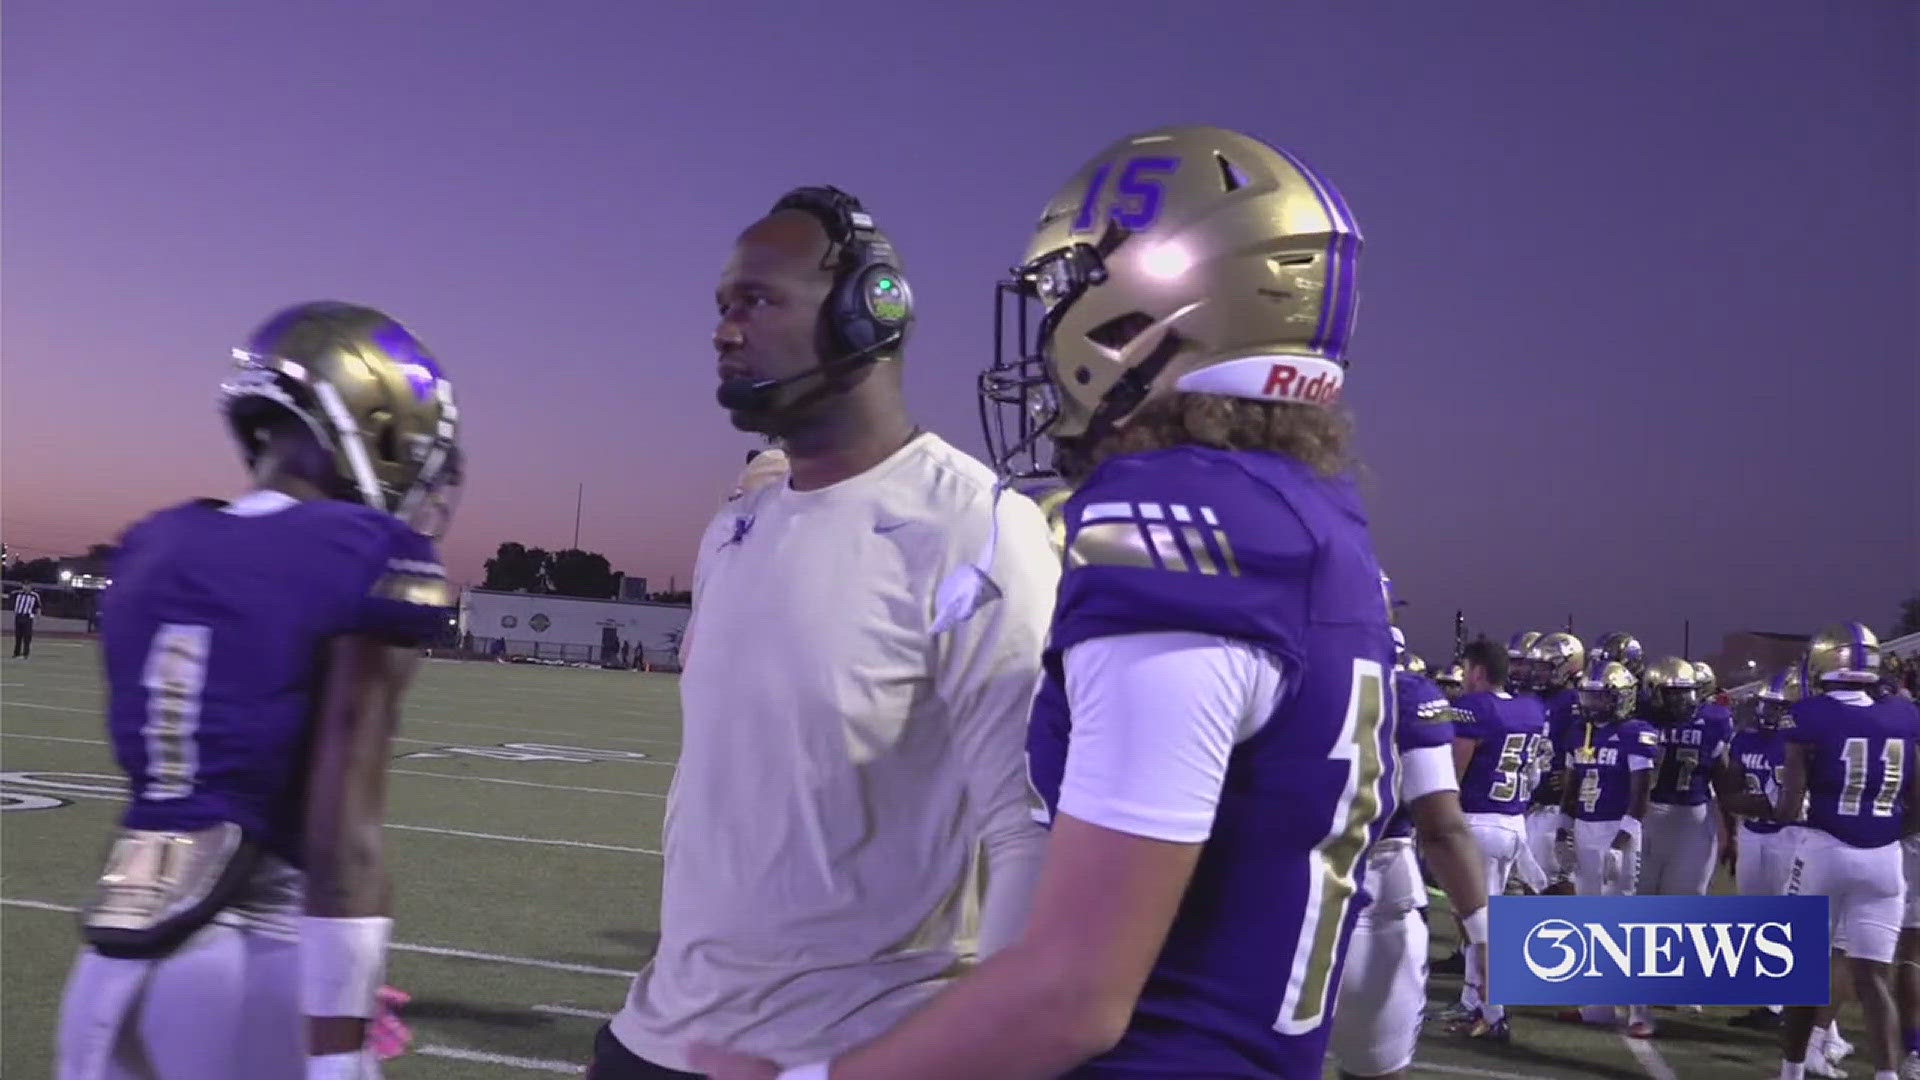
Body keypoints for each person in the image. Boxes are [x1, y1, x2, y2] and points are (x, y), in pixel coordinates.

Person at [695, 122, 1391, 1080]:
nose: (1048, 329)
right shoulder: (1312, 519)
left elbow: (1073, 995)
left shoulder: (1183, 524)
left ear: (1149, 301)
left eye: (1066, 291)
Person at [590, 186, 1058, 1078]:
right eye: (722, 307)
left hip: (844, 1050)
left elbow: (1027, 834)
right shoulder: (739, 525)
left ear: (863, 313)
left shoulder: (975, 529)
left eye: (758, 300)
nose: (725, 331)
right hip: (656, 1035)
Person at [55, 301, 463, 1079]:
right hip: (252, 963)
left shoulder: (154, 543)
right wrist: (337, 1040)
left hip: (109, 968)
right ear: (376, 422)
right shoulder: (369, 550)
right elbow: (343, 834)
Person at [1330, 622, 1491, 1074]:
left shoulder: (1262, 671)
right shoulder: (1405, 695)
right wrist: (1482, 933)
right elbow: (1441, 828)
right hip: (1375, 894)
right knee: (1374, 1069)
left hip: (1264, 897)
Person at [1776, 623, 1920, 1080]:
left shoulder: (1810, 713)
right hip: (1884, 859)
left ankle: (1792, 1072)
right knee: (1875, 979)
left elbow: (1787, 804)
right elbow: (1918, 802)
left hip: (1824, 849)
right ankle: (1887, 1075)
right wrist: (1887, 833)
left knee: (1805, 972)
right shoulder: (1904, 714)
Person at [1443, 636, 1548, 1036]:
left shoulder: (1475, 708)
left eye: (1467, 670)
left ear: (1479, 671)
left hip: (1480, 823)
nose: (1464, 678)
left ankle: (1493, 1011)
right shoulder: (1530, 708)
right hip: (1512, 822)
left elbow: (1453, 773)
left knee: (1479, 922)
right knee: (1479, 919)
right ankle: (1474, 1002)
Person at [1555, 659, 1660, 1034]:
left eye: (1601, 697)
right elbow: (1571, 785)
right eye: (1589, 696)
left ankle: (1639, 1010)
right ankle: (1598, 1004)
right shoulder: (1579, 732)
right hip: (1585, 829)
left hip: (1618, 828)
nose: (1592, 704)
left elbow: (1641, 791)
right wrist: (1562, 829)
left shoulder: (1636, 732)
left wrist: (1623, 838)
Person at [12, 582, 41, 657]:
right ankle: (16, 653)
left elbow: (38, 607)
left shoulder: (34, 596)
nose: (25, 587)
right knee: (18, 636)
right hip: (18, 616)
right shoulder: (17, 594)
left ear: (30, 587)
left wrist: (38, 618)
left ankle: (26, 653)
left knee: (27, 636)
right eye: (24, 585)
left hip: (27, 617)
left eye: (27, 586)